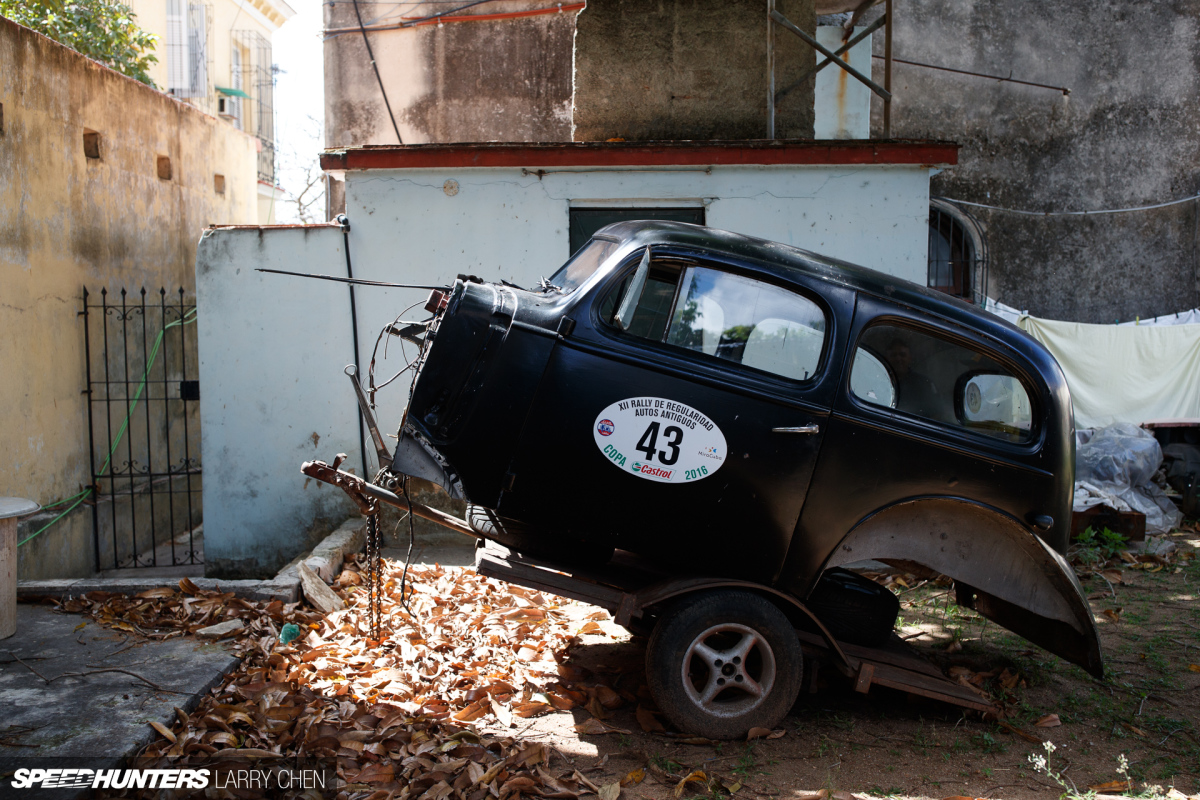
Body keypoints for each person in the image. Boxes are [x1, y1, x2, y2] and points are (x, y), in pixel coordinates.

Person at [885, 338, 942, 420]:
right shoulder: (879, 380)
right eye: (893, 355)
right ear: (886, 358)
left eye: (902, 355)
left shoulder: (924, 384)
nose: (898, 359)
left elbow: (936, 414)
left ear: (910, 358)